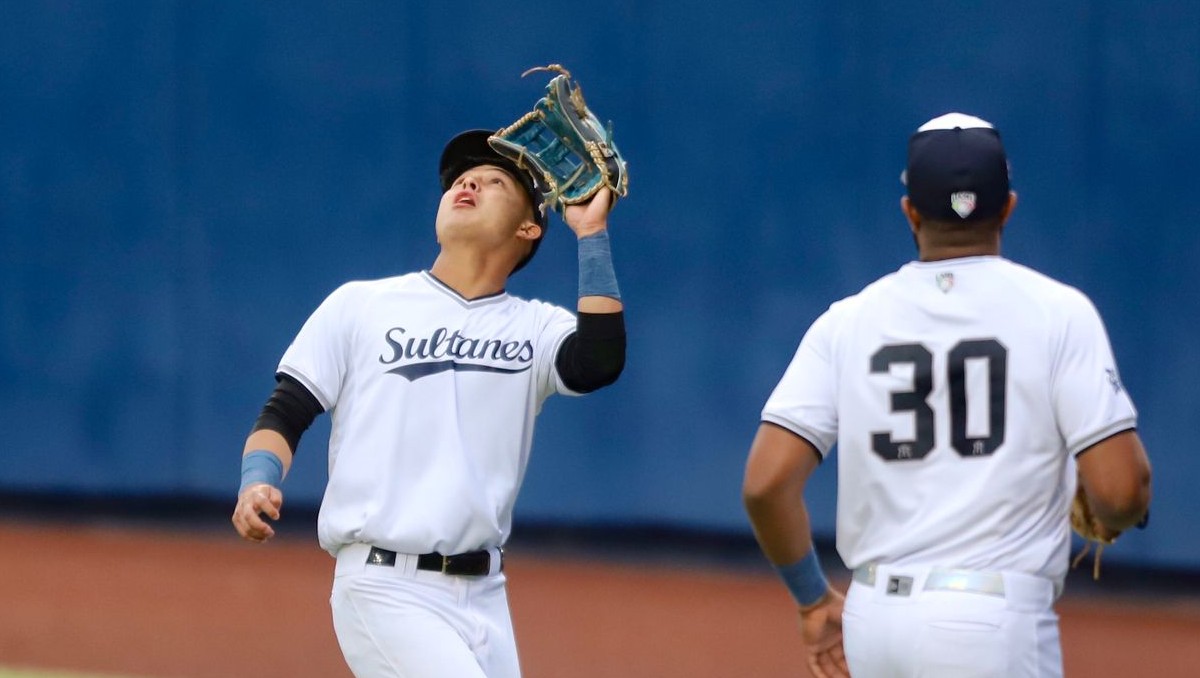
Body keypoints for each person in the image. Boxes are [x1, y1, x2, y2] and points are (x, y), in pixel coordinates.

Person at [741, 112, 1152, 678]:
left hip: (873, 622)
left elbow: (766, 484)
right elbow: (1122, 491)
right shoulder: (1059, 313)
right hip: (992, 621)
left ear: (910, 212)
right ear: (1008, 206)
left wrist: (813, 599)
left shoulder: (847, 322)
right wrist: (1111, 505)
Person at [230, 129, 626, 678]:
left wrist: (593, 233)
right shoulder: (361, 305)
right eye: (461, 179)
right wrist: (257, 478)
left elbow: (599, 362)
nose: (468, 183)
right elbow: (286, 410)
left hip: (485, 594)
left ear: (529, 227)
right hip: (384, 584)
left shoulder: (536, 327)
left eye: (493, 181)